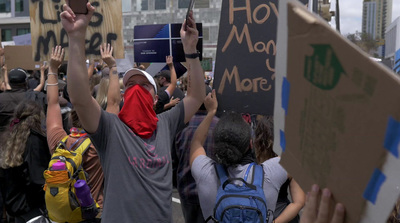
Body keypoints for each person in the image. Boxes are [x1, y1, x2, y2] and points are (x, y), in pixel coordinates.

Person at [60, 2, 205, 222]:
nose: (136, 88)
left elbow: (196, 97)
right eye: (130, 86)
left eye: (143, 85)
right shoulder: (110, 129)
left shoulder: (165, 123)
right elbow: (79, 97)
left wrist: (191, 50)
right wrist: (76, 36)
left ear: (156, 98)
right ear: (124, 96)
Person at [190, 91, 287, 223]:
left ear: (216, 143)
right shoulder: (271, 174)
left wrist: (211, 112)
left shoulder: (205, 172)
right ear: (251, 144)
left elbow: (196, 143)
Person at [45, 46, 104, 211]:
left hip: (65, 213)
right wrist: (111, 67)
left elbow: (53, 102)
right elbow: (113, 103)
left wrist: (52, 68)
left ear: (71, 117)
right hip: (95, 212)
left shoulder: (59, 140)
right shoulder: (99, 144)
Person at [0, 100, 51, 223]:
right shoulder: (34, 141)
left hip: (15, 205)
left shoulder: (9, 138)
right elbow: (38, 177)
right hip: (32, 208)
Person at [174, 87, 219, 223]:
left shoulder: (181, 126)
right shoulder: (220, 125)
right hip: (214, 191)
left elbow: (173, 160)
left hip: (187, 188)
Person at [254, 116, 305, 223]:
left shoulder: (251, 159)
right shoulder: (288, 162)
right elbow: (299, 202)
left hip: (256, 213)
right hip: (282, 214)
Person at [0, 68, 47, 133]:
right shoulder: (34, 96)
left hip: (3, 139)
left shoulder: (1, 98)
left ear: (8, 83)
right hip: (27, 138)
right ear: (26, 82)